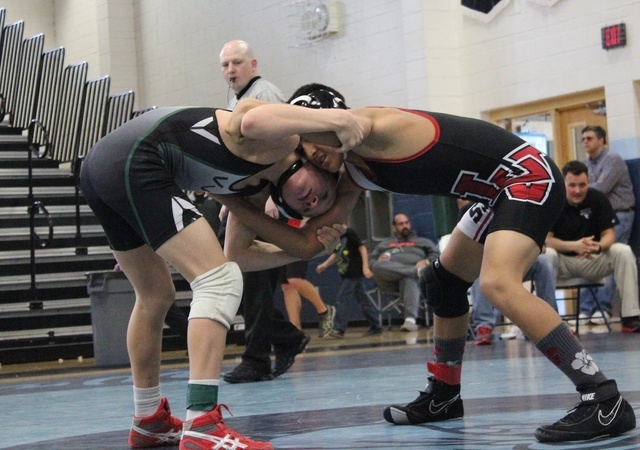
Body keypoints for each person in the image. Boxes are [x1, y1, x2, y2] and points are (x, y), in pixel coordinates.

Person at [216, 86, 636, 443]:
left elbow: (260, 117)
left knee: (497, 283)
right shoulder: (352, 174)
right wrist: (241, 199)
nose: (321, 155)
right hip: (494, 192)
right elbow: (308, 242)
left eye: (320, 142)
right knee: (442, 281)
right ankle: (444, 394)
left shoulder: (365, 127)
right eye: (311, 151)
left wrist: (246, 171)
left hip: (525, 176)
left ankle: (602, 397)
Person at [79, 103, 359, 449]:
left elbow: (237, 256)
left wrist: (305, 248)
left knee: (155, 296)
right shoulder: (285, 141)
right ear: (318, 161)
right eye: (324, 192)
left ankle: (148, 419)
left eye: (311, 209)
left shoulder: (250, 192)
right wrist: (341, 122)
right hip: (136, 157)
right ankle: (203, 424)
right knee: (217, 280)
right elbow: (248, 115)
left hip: (102, 166)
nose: (313, 200)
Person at [218, 39, 311, 384]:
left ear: (253, 64)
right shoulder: (238, 99)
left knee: (252, 284)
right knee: (239, 281)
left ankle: (257, 358)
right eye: (226, 65)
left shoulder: (264, 95)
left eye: (237, 62)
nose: (231, 70)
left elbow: (285, 147)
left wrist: (272, 196)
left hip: (269, 203)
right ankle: (285, 338)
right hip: (253, 199)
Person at [545, 160, 640, 334]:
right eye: (572, 185)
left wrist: (597, 247)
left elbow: (609, 235)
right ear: (563, 184)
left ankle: (631, 317)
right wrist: (575, 246)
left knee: (623, 251)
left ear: (588, 182)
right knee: (546, 256)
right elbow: (547, 240)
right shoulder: (553, 202)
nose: (577, 190)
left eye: (582, 185)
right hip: (563, 263)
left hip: (593, 259)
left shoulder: (598, 198)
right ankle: (551, 322)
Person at [579, 125, 636, 324]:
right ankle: (586, 309)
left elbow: (600, 189)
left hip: (620, 215)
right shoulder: (585, 163)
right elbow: (585, 189)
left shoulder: (613, 159)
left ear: (602, 140)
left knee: (608, 257)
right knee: (587, 256)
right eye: (583, 138)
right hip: (598, 219)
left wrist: (578, 190)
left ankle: (602, 308)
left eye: (589, 138)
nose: (585, 142)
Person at [369, 213, 439, 332]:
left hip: (414, 282)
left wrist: (426, 261)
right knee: (377, 265)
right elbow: (372, 262)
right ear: (394, 227)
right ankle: (415, 272)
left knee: (409, 278)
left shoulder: (423, 241)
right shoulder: (384, 244)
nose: (405, 226)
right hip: (389, 281)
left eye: (407, 223)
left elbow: (437, 256)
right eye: (401, 224)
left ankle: (410, 321)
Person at [316, 227, 383, 338]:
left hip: (353, 272)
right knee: (363, 300)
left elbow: (362, 248)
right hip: (346, 273)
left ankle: (339, 328)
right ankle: (376, 326)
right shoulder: (338, 238)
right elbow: (337, 253)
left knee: (342, 299)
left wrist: (365, 268)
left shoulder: (348, 233)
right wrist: (325, 265)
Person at [279, 260, 336, 337]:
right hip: (280, 250)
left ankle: (324, 310)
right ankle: (296, 330)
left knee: (293, 279)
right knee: (286, 286)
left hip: (296, 249)